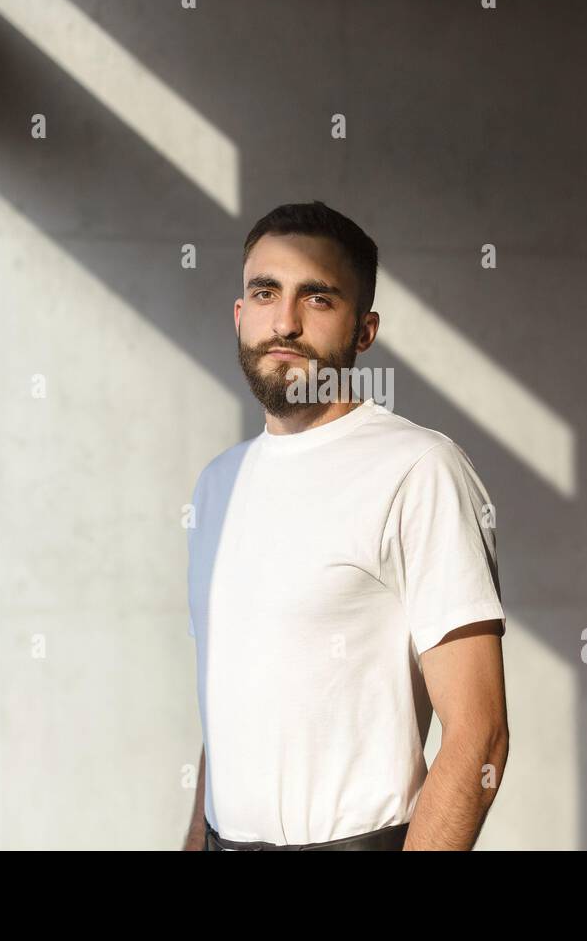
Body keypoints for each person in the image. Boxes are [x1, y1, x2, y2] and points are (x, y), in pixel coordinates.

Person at [182, 201, 508, 851]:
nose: (286, 322)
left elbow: (480, 735)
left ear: (364, 330)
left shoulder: (418, 469)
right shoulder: (217, 483)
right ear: (240, 314)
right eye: (266, 292)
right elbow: (231, 700)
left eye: (319, 298)